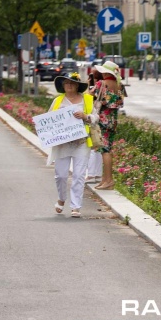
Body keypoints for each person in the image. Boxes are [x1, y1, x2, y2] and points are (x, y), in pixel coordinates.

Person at [48, 72, 95, 217]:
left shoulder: (87, 99)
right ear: (63, 85)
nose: (69, 85)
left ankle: (76, 206)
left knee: (79, 175)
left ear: (77, 86)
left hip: (81, 142)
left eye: (72, 83)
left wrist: (86, 116)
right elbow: (49, 119)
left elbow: (96, 116)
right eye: (67, 83)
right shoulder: (57, 101)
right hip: (62, 144)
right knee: (61, 175)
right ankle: (61, 198)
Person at [92, 62, 125, 191]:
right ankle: (105, 180)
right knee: (107, 149)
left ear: (106, 73)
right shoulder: (119, 85)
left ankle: (109, 180)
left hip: (102, 120)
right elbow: (120, 103)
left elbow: (90, 95)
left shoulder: (101, 84)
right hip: (112, 121)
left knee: (105, 151)